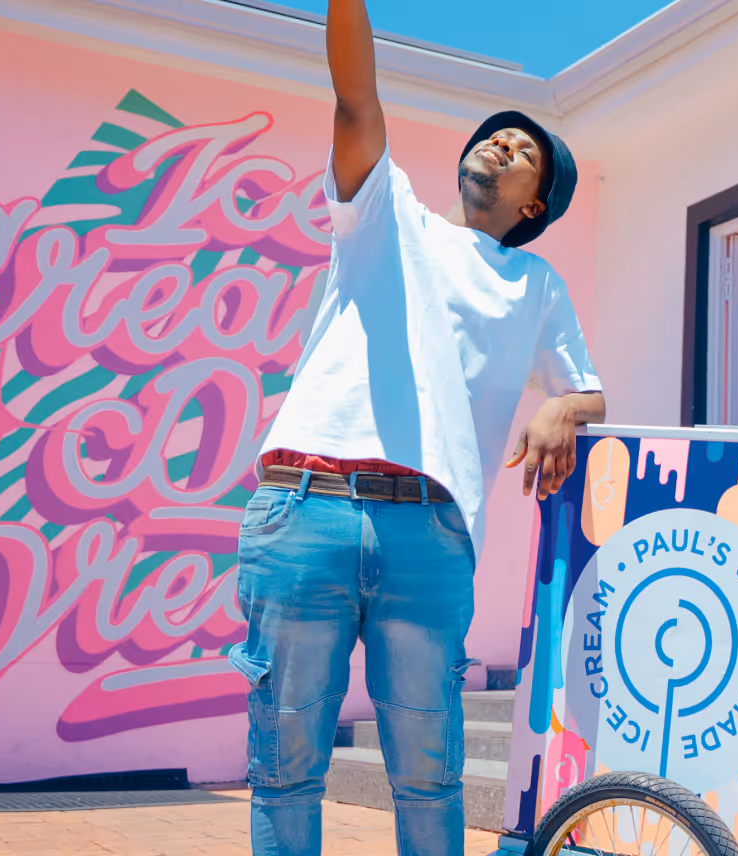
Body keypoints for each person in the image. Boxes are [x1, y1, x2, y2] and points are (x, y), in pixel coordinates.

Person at [222, 0, 605, 853]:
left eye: (524, 150)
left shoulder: (535, 284)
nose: (501, 142)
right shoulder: (386, 211)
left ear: (535, 198)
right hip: (304, 511)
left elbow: (588, 393)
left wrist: (560, 406)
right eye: (495, 134)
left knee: (429, 780)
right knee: (284, 769)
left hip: (428, 537)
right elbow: (358, 102)